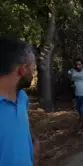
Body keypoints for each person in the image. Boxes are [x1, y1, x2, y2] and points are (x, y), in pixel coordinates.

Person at [0, 37, 40, 166]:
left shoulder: (22, 98)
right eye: (33, 68)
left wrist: (32, 141)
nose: (33, 73)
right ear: (23, 69)